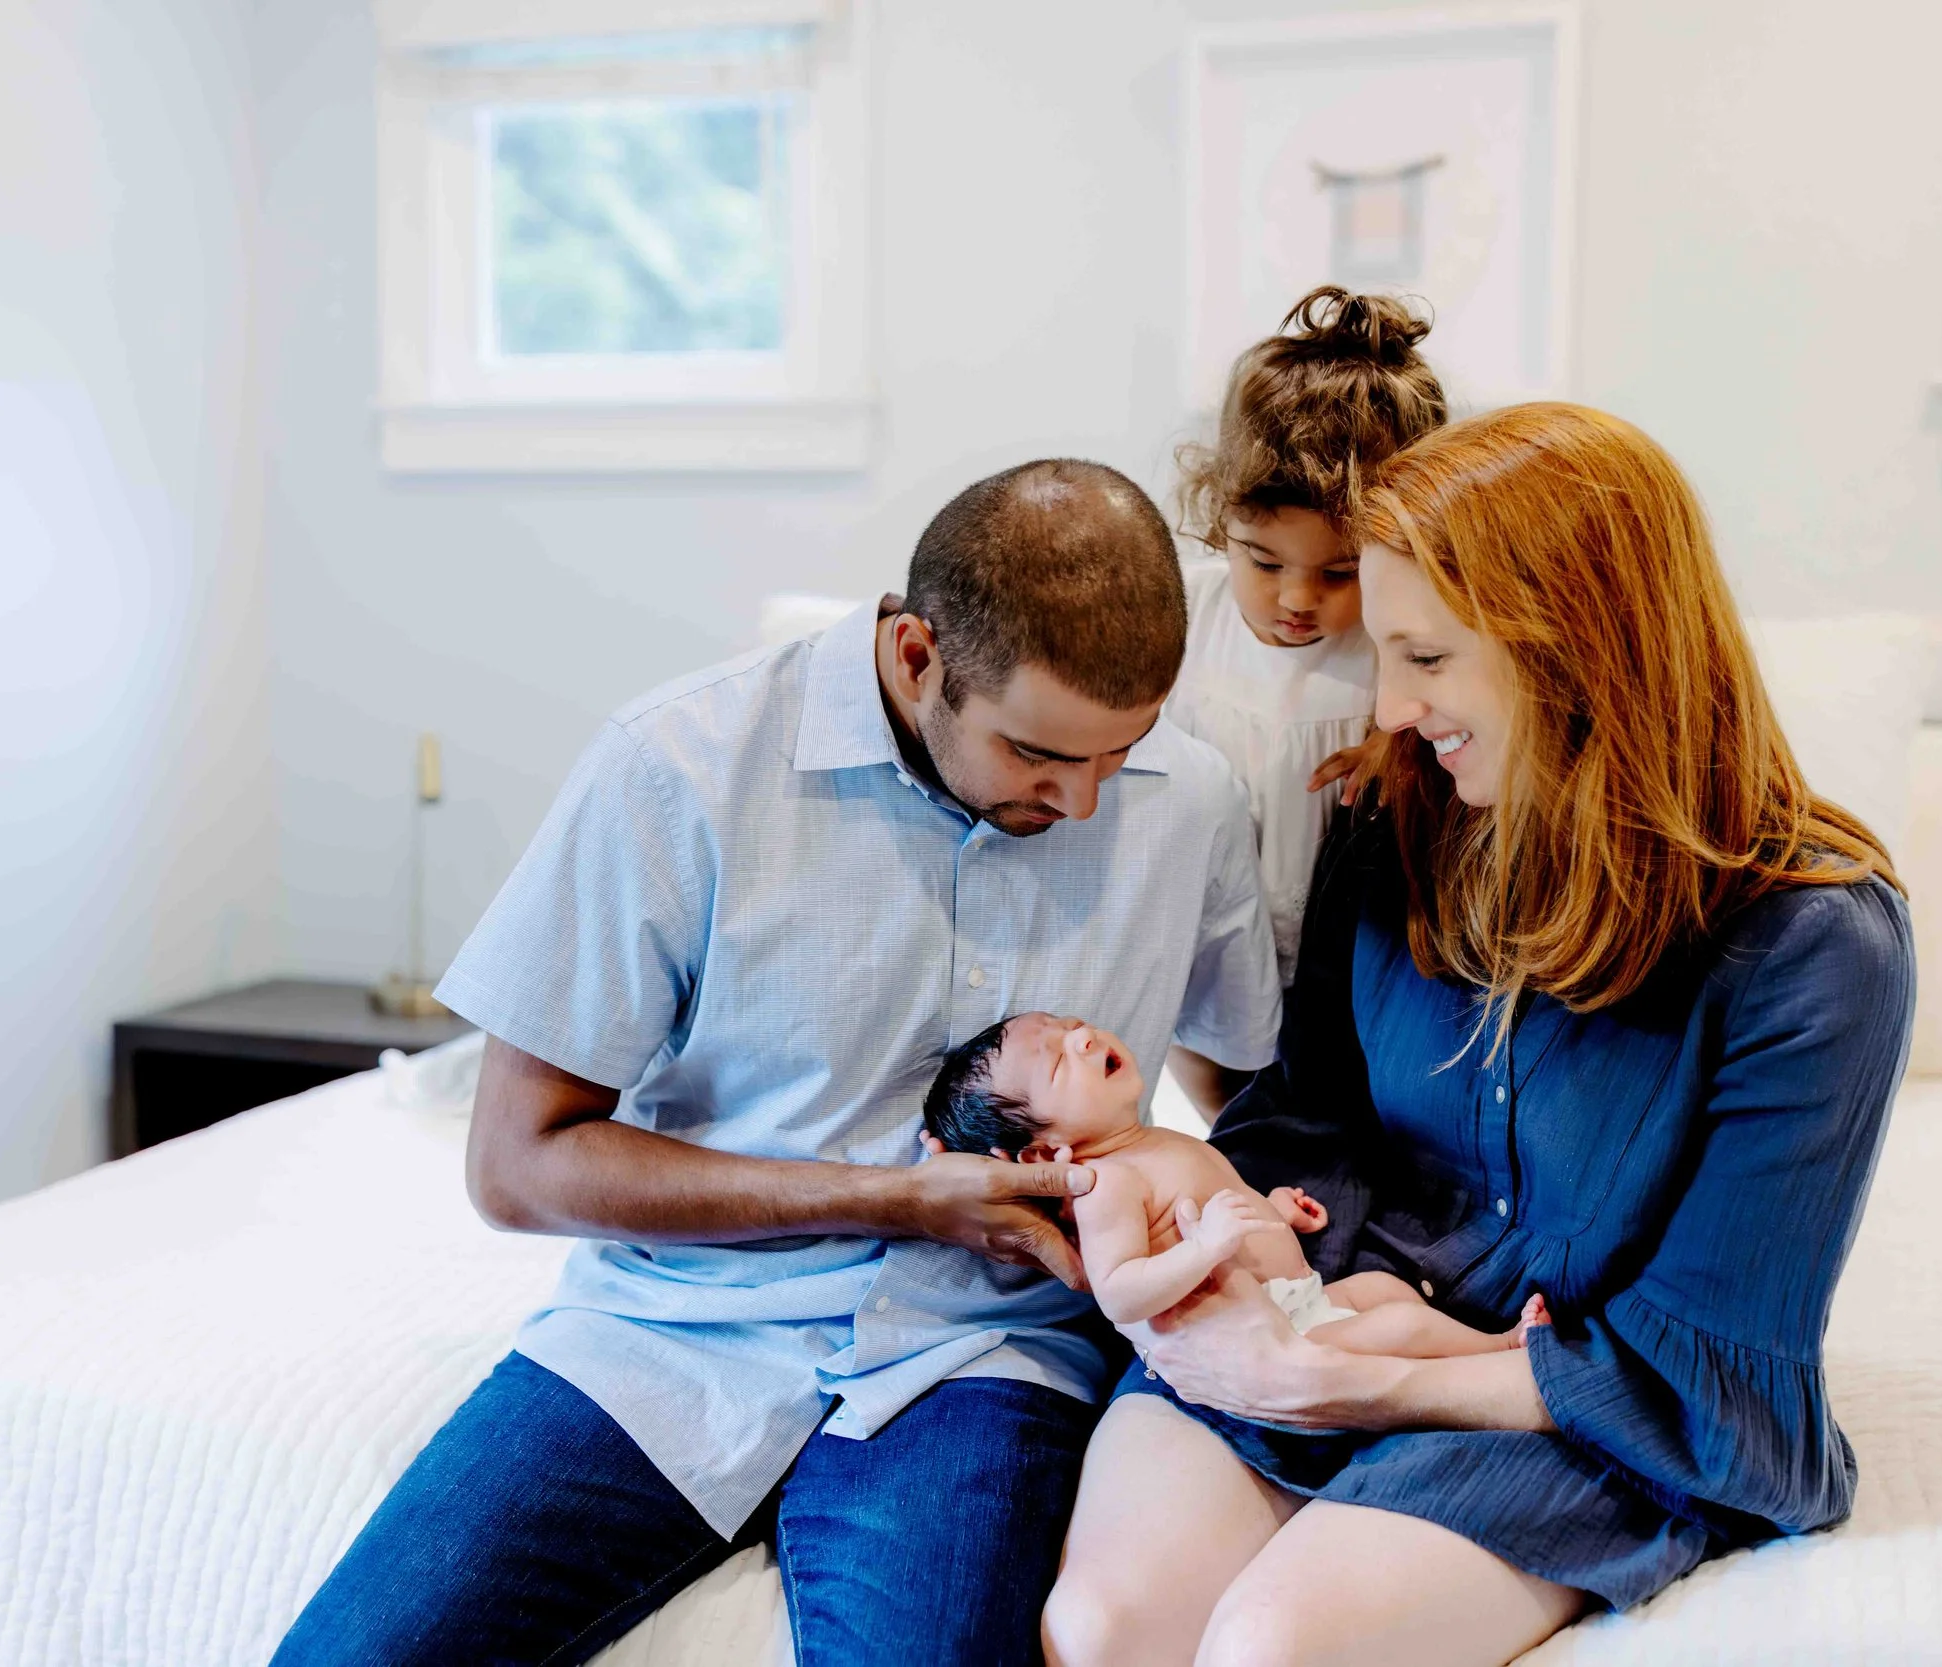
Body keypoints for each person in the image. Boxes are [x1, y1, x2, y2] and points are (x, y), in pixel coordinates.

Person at [270, 459, 1283, 1667]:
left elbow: (1251, 1091)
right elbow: (516, 1164)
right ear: (916, 655)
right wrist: (895, 1198)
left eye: (1120, 752)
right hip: (675, 1329)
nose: (1080, 799)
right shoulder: (679, 765)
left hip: (984, 1353)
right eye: (1035, 754)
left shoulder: (1196, 803)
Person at [1043, 404, 1916, 1667]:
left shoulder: (1813, 945)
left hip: (1573, 1410)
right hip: (1325, 1308)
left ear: (1577, 648)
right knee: (1104, 1626)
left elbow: (1706, 1354)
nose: (1389, 707)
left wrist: (1360, 1381)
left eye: (1426, 658)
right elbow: (1312, 1120)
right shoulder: (1394, 818)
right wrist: (1252, 1277)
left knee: (1272, 1647)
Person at [922, 1011, 1545, 1354]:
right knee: (1398, 1328)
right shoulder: (1105, 1184)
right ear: (1043, 1152)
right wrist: (1205, 1248)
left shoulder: (1153, 1141)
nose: (1083, 1036)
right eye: (1059, 1060)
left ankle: (1467, 1348)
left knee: (1385, 1289)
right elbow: (1119, 1294)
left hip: (1300, 1302)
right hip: (1257, 1338)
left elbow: (1218, 1206)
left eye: (1069, 1024)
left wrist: (1273, 1212)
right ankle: (1504, 1352)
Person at [1164, 285, 1448, 994]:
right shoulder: (1186, 613)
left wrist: (1400, 744)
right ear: (1220, 513)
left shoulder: (1403, 643)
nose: (1296, 598)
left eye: (1340, 571)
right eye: (1263, 561)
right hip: (1205, 933)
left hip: (1345, 950)